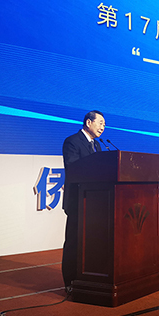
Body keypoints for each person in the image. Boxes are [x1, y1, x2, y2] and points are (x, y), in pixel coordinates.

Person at [61, 110, 106, 291]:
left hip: (95, 202)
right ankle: (70, 281)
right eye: (100, 123)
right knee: (74, 242)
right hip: (78, 201)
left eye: (104, 125)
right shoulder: (72, 141)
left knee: (92, 242)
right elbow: (74, 168)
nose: (103, 127)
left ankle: (90, 276)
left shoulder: (98, 145)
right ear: (88, 122)